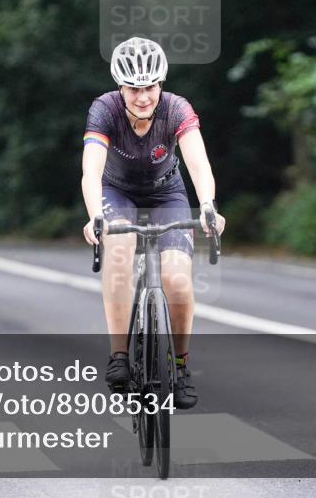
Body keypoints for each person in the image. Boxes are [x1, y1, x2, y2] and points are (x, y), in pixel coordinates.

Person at [81, 37, 225, 410]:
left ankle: (180, 367)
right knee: (119, 253)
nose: (143, 97)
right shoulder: (105, 110)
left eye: (149, 87)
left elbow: (198, 163)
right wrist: (95, 213)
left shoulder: (177, 109)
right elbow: (91, 169)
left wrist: (208, 204)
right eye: (133, 89)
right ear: (120, 87)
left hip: (167, 194)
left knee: (177, 279)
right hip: (116, 194)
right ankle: (119, 356)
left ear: (160, 84)